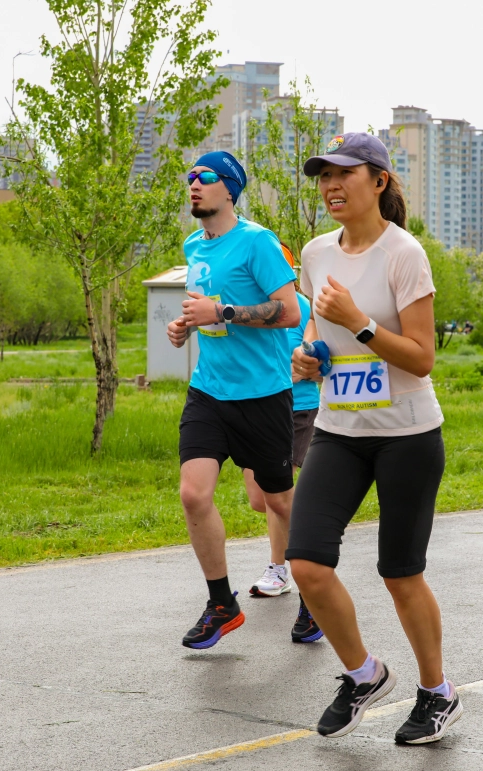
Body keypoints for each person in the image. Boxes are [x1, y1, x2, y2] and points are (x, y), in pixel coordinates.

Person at [287, 132, 459, 745]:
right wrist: (308, 358)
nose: (330, 186)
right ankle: (363, 674)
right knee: (305, 562)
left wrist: (358, 323)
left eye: (344, 174)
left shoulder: (403, 254)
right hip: (339, 430)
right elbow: (317, 332)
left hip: (408, 435)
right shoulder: (314, 252)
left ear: (379, 181)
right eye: (323, 176)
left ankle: (437, 692)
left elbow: (421, 358)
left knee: (399, 573)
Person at [165, 151, 301, 650]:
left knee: (277, 502)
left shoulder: (258, 242)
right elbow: (206, 315)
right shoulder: (193, 245)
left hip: (263, 395)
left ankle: (314, 592)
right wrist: (185, 326)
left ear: (230, 189)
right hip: (209, 390)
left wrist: (220, 310)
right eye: (191, 177)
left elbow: (288, 311)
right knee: (193, 494)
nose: (194, 184)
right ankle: (221, 603)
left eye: (205, 177)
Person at [242, 276, 325, 644]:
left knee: (281, 496)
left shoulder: (302, 306)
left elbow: (318, 361)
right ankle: (293, 568)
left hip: (296, 408)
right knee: (261, 500)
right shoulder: (243, 305)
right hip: (251, 407)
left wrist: (305, 366)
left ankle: (289, 572)